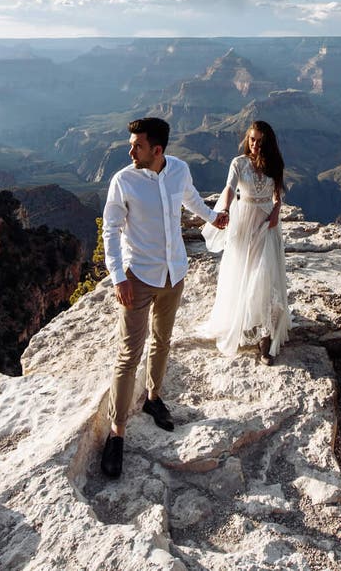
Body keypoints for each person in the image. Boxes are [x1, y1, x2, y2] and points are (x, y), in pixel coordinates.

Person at [99, 116, 228, 480]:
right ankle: (116, 432)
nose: (130, 150)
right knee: (128, 355)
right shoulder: (123, 181)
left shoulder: (179, 171)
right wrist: (118, 276)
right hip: (138, 278)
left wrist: (212, 217)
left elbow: (190, 199)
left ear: (157, 150)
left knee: (163, 341)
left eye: (137, 145)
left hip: (174, 274)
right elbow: (110, 229)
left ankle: (154, 399)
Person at [201, 120, 290, 365]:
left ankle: (265, 337)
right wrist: (226, 209)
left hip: (266, 224)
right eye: (252, 139)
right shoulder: (238, 163)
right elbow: (229, 188)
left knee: (265, 276)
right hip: (244, 223)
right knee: (243, 272)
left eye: (260, 141)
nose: (255, 145)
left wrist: (276, 211)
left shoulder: (274, 163)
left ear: (267, 143)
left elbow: (277, 192)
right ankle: (243, 321)